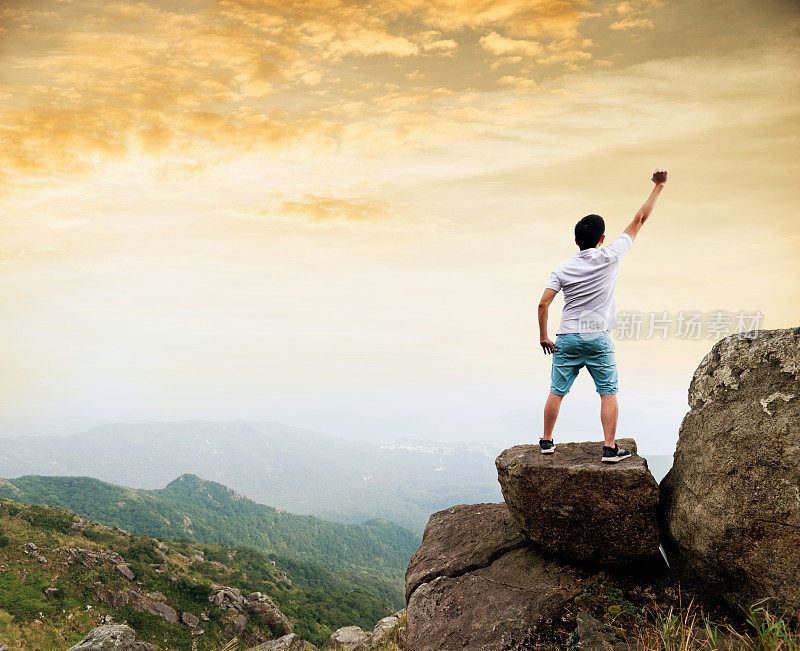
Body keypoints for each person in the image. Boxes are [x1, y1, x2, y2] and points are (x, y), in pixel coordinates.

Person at [536, 168, 668, 462]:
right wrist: (659, 186)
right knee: (607, 391)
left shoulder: (562, 268)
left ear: (576, 242)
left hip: (566, 337)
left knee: (557, 391)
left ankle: (546, 441)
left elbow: (543, 304)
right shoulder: (611, 255)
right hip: (598, 336)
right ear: (602, 238)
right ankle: (609, 447)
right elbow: (639, 220)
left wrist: (544, 336)